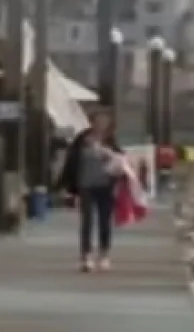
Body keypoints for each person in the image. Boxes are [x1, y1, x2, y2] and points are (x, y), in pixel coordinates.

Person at [58, 109, 123, 273]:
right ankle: (86, 256)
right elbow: (71, 162)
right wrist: (66, 186)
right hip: (86, 185)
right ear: (92, 122)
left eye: (104, 121)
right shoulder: (82, 139)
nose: (100, 124)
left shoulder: (110, 140)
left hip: (106, 186)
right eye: (97, 121)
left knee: (104, 221)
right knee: (87, 221)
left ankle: (104, 254)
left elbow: (121, 161)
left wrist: (109, 155)